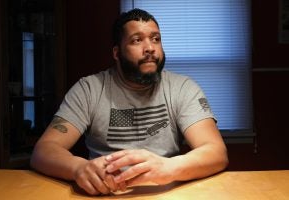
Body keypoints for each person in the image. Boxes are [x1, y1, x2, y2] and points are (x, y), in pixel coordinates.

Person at [30, 8, 228, 196]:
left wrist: (169, 167)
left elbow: (216, 152)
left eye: (155, 39)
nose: (150, 48)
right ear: (117, 53)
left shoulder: (183, 88)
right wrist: (79, 168)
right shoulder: (89, 89)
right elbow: (44, 151)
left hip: (166, 191)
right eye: (137, 40)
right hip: (105, 192)